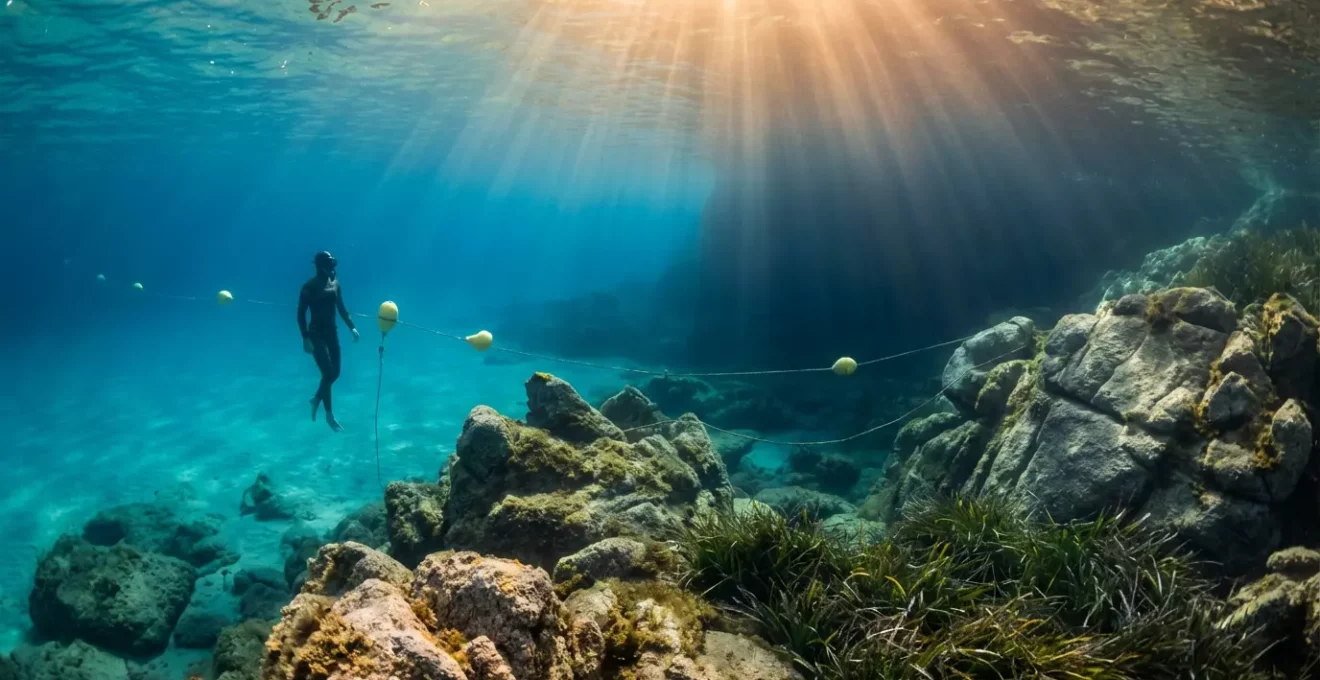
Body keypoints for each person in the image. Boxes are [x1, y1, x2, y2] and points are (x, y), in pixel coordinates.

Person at [298, 251, 359, 431]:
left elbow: (341, 307)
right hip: (316, 335)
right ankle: (329, 415)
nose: (332, 267)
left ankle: (316, 399)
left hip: (332, 333)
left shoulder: (335, 283)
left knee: (335, 373)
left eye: (334, 263)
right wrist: (305, 338)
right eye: (329, 263)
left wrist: (351, 326)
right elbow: (300, 314)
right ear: (320, 265)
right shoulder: (309, 287)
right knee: (327, 373)